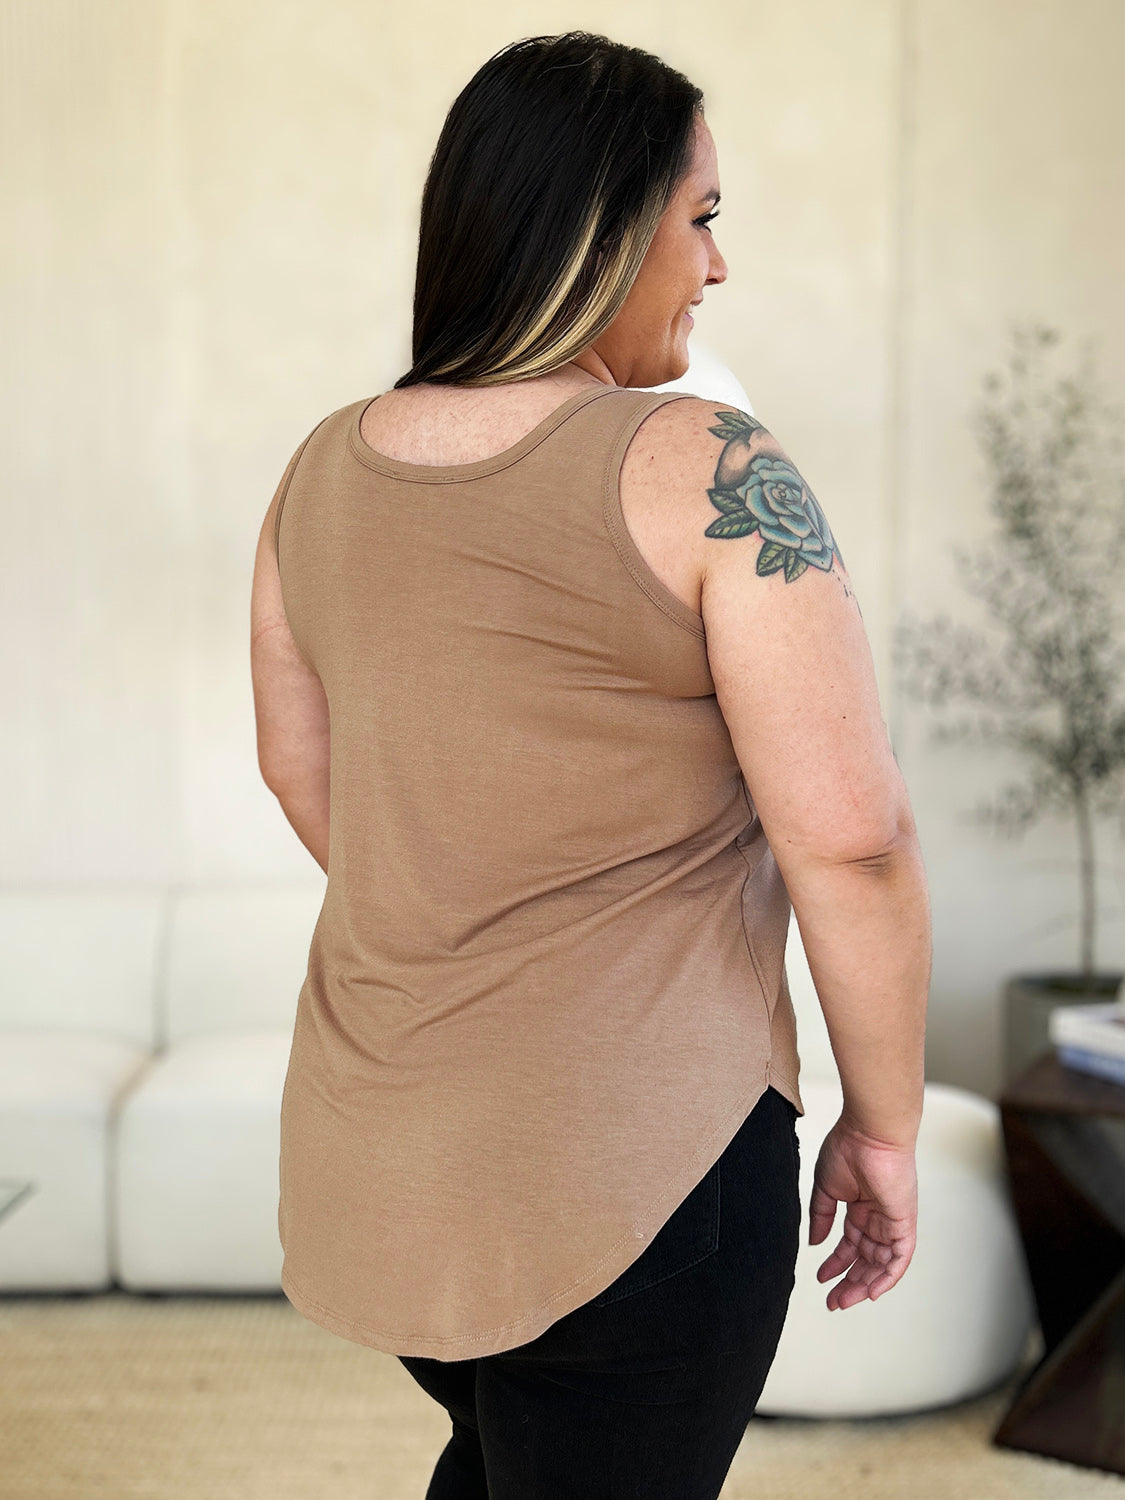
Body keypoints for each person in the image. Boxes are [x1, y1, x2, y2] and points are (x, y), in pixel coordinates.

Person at [250, 29, 931, 1500]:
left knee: (499, 1457)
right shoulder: (705, 463)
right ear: (602, 223)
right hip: (639, 1174)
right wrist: (881, 1129)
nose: (715, 267)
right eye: (701, 218)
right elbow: (854, 841)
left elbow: (310, 785)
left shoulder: (317, 469)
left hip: (386, 1159)